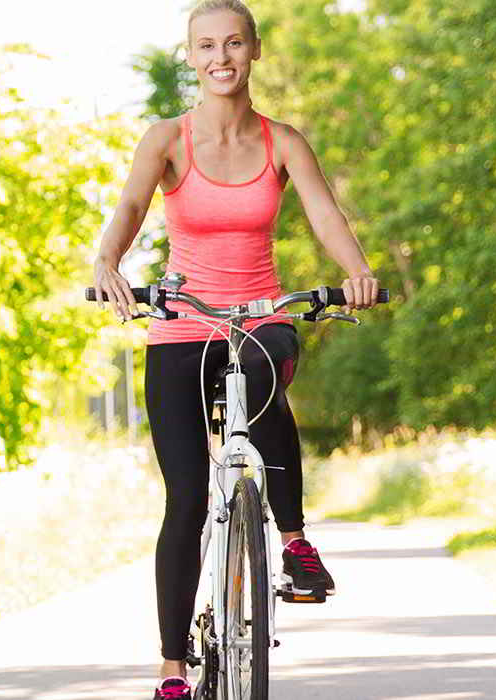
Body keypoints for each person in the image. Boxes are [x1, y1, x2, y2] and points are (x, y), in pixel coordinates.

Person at [84, 2, 383, 697]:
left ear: (254, 50)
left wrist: (356, 274)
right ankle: (170, 667)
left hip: (260, 314)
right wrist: (108, 261)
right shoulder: (168, 140)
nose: (220, 56)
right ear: (191, 56)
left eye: (233, 44)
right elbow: (129, 209)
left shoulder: (283, 143)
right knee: (186, 498)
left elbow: (324, 213)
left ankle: (296, 540)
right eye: (206, 46)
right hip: (183, 323)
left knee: (264, 366)